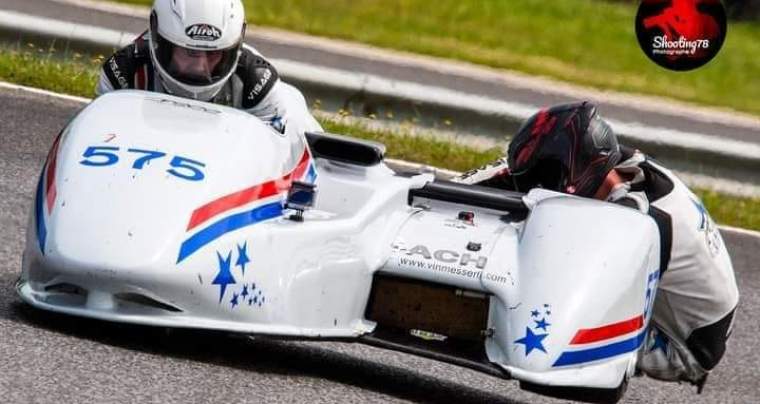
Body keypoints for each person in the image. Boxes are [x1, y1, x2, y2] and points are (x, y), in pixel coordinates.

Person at [457, 101, 739, 390]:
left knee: (532, 295)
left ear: (583, 171)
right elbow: (507, 174)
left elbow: (578, 282)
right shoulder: (609, 161)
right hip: (676, 306)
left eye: (549, 178)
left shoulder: (644, 220)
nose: (539, 186)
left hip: (681, 347)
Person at [95, 0, 322, 136]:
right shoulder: (124, 72)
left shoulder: (257, 84)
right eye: (190, 52)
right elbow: (99, 139)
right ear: (158, 40)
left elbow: (277, 163)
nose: (200, 67)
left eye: (213, 54)